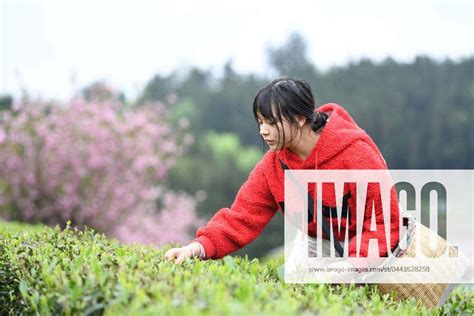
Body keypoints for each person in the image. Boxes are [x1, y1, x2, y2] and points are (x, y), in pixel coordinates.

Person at [165, 76, 400, 266]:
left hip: (375, 250)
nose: (263, 131)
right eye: (260, 122)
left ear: (299, 118)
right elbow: (240, 218)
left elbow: (385, 222)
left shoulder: (355, 153)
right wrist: (195, 248)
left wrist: (352, 266)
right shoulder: (273, 166)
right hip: (318, 246)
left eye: (270, 122)